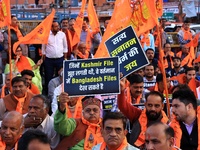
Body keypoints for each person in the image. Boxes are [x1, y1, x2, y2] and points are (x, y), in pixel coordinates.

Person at [118, 79, 169, 149]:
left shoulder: (168, 123)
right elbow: (123, 106)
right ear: (145, 104)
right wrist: (121, 91)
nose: (153, 109)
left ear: (162, 106)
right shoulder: (138, 114)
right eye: (150, 105)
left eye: (156, 106)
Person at [42, 21, 68, 94]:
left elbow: (65, 46)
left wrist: (65, 58)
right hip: (49, 60)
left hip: (60, 59)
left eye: (58, 26)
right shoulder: (46, 35)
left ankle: (60, 93)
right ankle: (49, 94)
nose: (58, 28)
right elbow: (43, 47)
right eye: (56, 26)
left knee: (60, 76)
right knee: (48, 77)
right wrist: (43, 57)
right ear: (51, 27)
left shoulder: (62, 34)